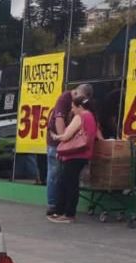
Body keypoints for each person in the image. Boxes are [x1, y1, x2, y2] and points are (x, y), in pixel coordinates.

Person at [46, 84, 93, 215]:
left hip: (71, 150)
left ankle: (59, 208)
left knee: (63, 178)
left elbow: (67, 133)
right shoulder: (65, 99)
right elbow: (59, 119)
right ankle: (56, 205)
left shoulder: (81, 116)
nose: (72, 108)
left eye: (75, 106)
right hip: (72, 149)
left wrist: (62, 141)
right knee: (61, 177)